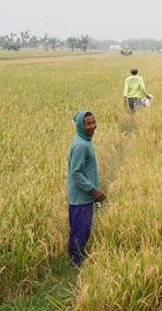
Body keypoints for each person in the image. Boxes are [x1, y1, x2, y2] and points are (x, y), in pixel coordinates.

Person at [66, 110, 106, 266]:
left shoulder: (84, 141)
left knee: (83, 228)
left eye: (94, 122)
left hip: (83, 195)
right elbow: (75, 173)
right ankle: (75, 261)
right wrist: (94, 190)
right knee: (80, 230)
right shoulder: (81, 146)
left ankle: (77, 257)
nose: (93, 126)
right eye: (88, 123)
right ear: (80, 126)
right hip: (81, 197)